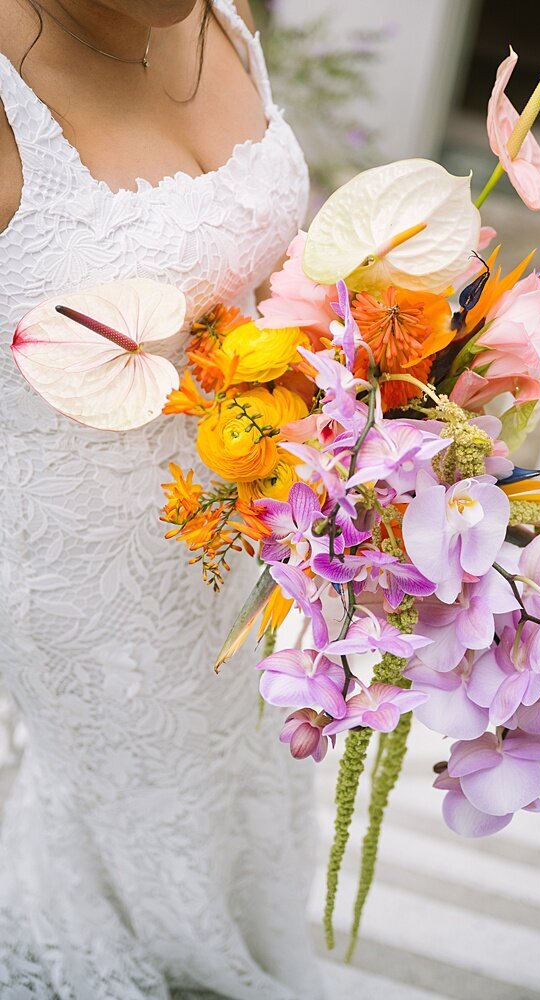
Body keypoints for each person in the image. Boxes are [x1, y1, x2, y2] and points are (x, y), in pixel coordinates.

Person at [0, 1, 324, 996]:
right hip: (88, 586)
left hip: (260, 534)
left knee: (253, 779)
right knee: (125, 821)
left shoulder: (219, 12)